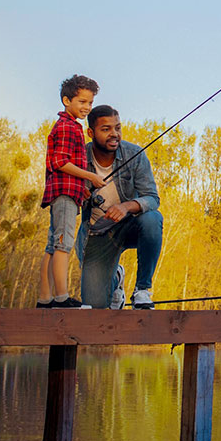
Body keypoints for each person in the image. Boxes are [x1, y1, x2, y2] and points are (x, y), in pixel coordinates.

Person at [77, 104, 163, 309]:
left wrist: (126, 206)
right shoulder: (79, 156)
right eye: (106, 129)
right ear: (91, 133)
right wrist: (78, 193)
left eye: (117, 128)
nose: (114, 134)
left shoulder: (135, 154)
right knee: (95, 305)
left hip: (130, 226)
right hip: (96, 234)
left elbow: (152, 198)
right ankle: (116, 280)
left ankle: (142, 290)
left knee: (153, 218)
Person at [38, 74, 106, 309]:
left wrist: (84, 189)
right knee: (63, 245)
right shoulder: (68, 127)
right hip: (64, 196)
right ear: (67, 101)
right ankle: (61, 298)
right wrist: (90, 177)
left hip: (65, 192)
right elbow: (60, 162)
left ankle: (44, 300)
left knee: (52, 246)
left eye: (90, 103)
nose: (87, 107)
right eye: (82, 102)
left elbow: (64, 167)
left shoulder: (69, 125)